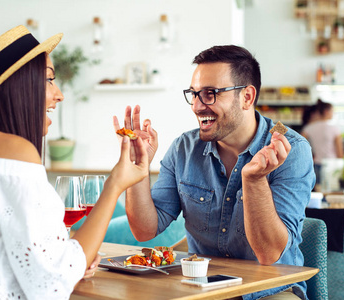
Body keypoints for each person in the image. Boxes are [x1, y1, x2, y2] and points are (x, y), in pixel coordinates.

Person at [0, 25, 148, 299]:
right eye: (48, 80)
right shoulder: (12, 149)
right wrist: (116, 183)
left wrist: (68, 260)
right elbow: (52, 283)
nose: (59, 94)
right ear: (19, 87)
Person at [114, 45, 315, 300]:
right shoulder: (183, 149)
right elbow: (144, 230)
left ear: (247, 97)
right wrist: (137, 167)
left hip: (270, 291)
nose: (197, 106)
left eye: (210, 94)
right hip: (201, 290)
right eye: (194, 94)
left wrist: (253, 180)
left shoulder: (291, 151)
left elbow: (269, 254)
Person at [301, 99, 343, 186]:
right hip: (332, 165)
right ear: (326, 111)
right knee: (332, 190)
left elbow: (301, 147)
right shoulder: (335, 128)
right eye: (332, 111)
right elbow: (340, 152)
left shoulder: (308, 128)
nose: (333, 114)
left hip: (316, 164)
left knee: (318, 190)